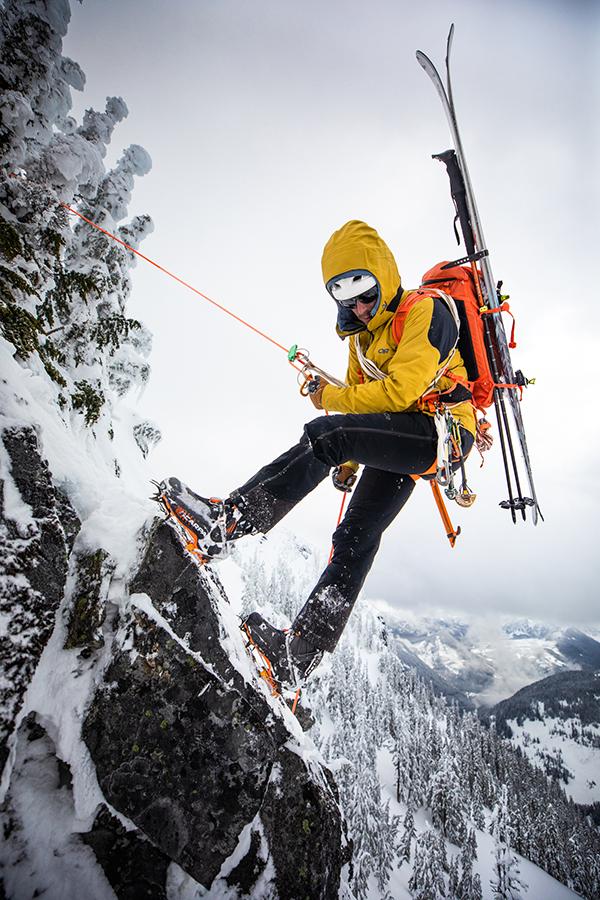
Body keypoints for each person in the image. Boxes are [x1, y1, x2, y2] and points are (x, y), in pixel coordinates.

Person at [160, 220, 476, 690]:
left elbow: (396, 392)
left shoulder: (428, 311)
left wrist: (331, 405)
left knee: (326, 433)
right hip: (405, 434)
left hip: (440, 433)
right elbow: (358, 395)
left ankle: (227, 523)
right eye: (347, 299)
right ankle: (300, 654)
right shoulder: (359, 338)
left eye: (367, 294)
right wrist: (347, 461)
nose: (360, 308)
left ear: (384, 278)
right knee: (355, 533)